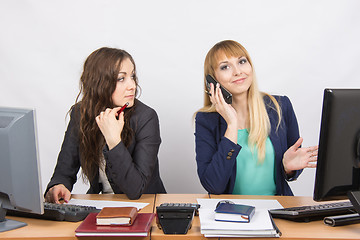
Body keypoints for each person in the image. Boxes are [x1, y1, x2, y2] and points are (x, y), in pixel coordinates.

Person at [194, 40, 317, 196]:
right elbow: (214, 185)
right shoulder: (206, 120)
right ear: (212, 80)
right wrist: (232, 125)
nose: (238, 72)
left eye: (242, 61)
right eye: (225, 67)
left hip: (277, 210)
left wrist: (288, 168)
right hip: (231, 213)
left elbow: (293, 165)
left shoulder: (280, 106)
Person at [45, 47, 166, 202]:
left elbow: (135, 189)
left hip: (145, 204)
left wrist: (113, 139)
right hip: (103, 204)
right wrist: (59, 185)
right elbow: (63, 172)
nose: (132, 85)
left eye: (132, 76)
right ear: (100, 83)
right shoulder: (80, 114)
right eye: (121, 78)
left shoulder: (146, 117)